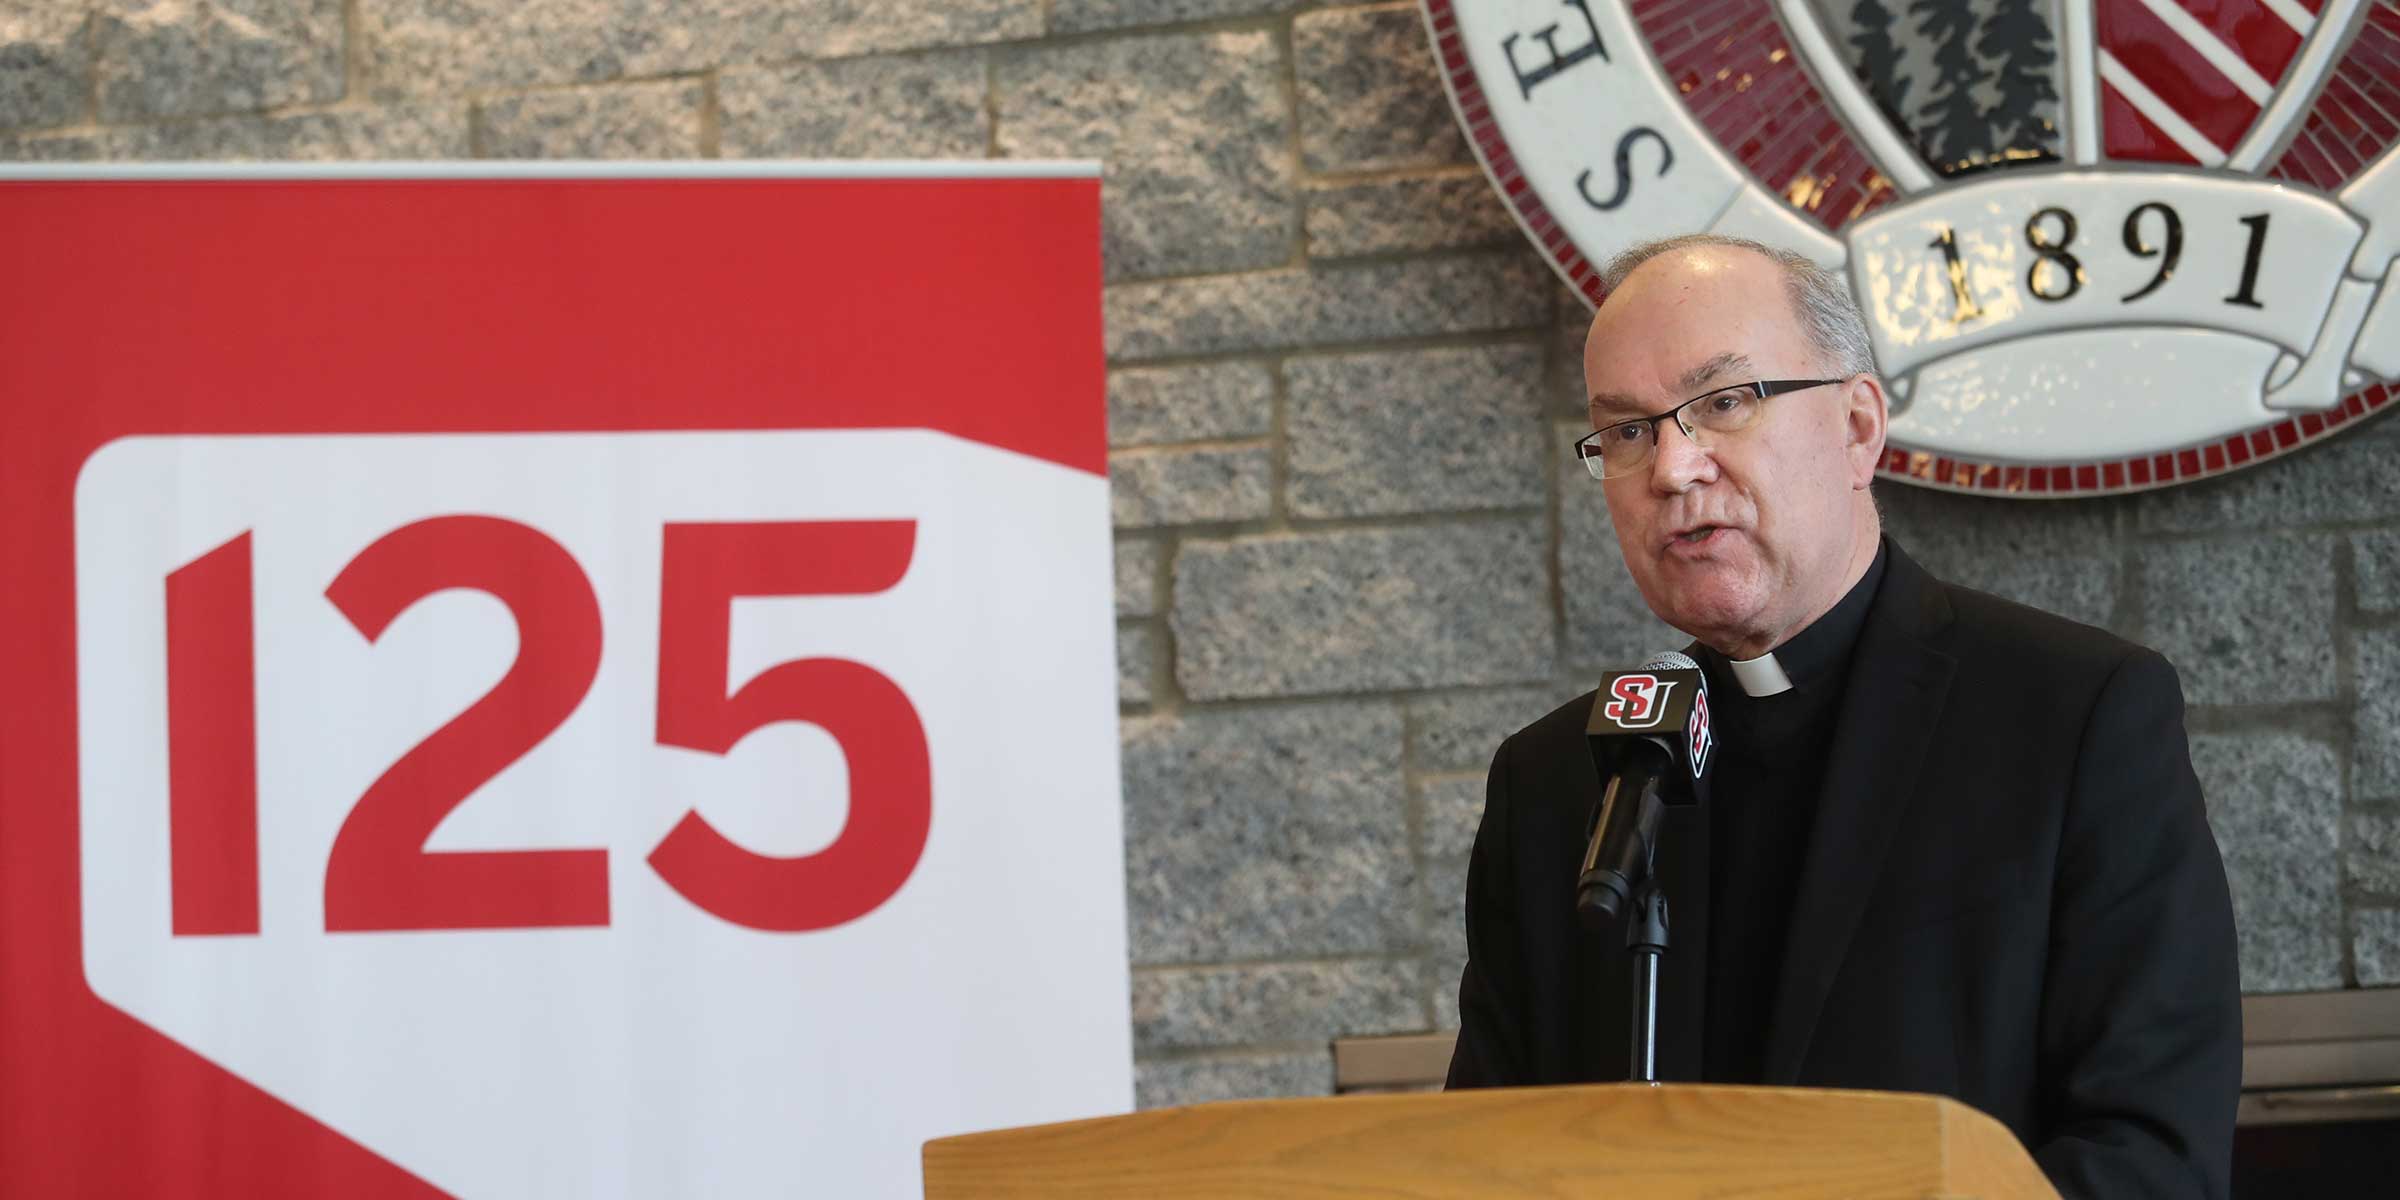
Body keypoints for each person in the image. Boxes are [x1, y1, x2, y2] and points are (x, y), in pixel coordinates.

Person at [1445, 234, 2242, 1199]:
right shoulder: (1555, 782)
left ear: (1859, 426)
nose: (1672, 468)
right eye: (1627, 431)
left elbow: (2150, 1155)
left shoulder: (2071, 717)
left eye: (1724, 403)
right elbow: (1480, 1158)